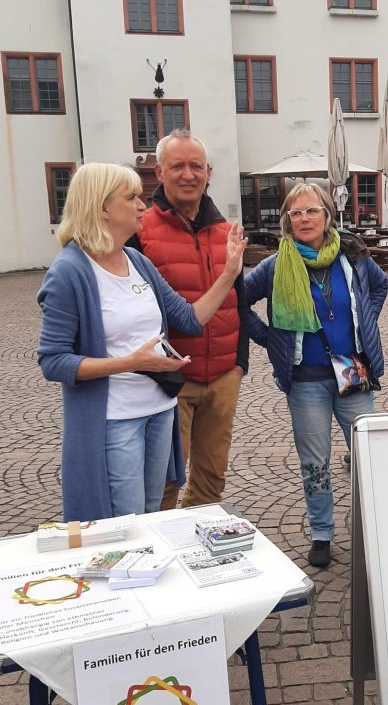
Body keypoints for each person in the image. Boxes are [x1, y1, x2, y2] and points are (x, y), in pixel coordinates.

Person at [37, 162, 246, 522]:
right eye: (131, 197)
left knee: (152, 517)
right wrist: (131, 363)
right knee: (126, 522)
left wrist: (229, 273)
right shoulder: (69, 271)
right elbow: (53, 361)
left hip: (158, 412)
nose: (142, 206)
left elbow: (189, 319)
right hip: (114, 419)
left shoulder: (136, 261)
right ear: (102, 206)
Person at [245, 183, 388, 568]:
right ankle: (322, 532)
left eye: (312, 211)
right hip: (306, 379)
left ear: (328, 215)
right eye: (296, 213)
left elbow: (379, 285)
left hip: (352, 373)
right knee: (315, 463)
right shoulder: (275, 265)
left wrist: (366, 324)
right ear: (287, 222)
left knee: (367, 456)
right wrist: (267, 336)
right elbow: (236, 300)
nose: (304, 218)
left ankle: (377, 527)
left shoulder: (352, 256)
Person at [128, 130, 249, 510]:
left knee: (212, 478)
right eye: (177, 166)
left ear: (208, 172)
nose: (188, 174)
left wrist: (240, 364)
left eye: (196, 166)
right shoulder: (139, 232)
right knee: (165, 480)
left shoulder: (227, 231)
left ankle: (197, 547)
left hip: (223, 374)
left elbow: (239, 299)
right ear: (159, 173)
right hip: (171, 378)